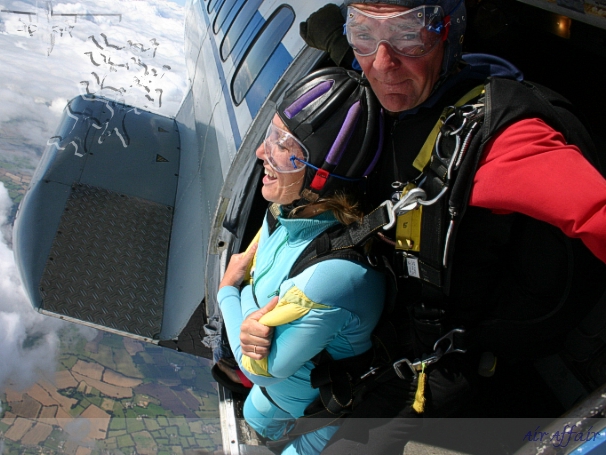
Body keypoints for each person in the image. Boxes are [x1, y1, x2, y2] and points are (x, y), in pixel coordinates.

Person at [239, 0, 606, 453]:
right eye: (365, 32)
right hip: (374, 329)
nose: (383, 61)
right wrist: (336, 35)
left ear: (450, 32)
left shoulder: (502, 141)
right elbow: (362, 48)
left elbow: (595, 210)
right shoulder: (389, 77)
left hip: (426, 368)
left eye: (411, 32)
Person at [217, 67, 386, 454]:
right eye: (269, 135)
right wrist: (248, 319)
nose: (262, 152)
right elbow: (255, 313)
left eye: (281, 143)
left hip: (321, 420)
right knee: (257, 419)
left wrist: (229, 291)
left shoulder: (336, 274)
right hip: (275, 401)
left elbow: (259, 366)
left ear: (320, 173)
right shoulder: (283, 213)